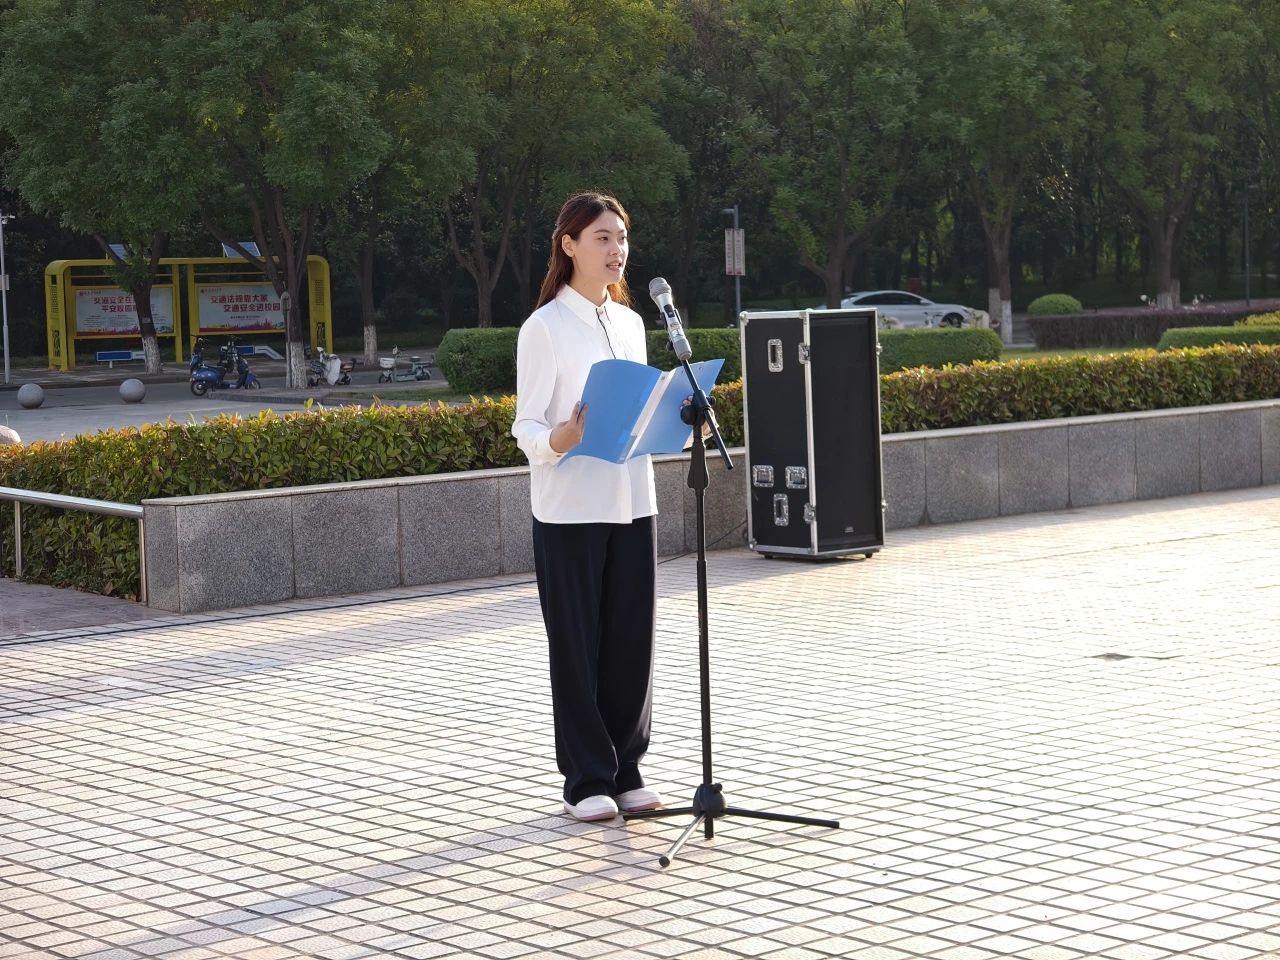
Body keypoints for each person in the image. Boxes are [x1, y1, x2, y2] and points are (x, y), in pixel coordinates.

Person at [512, 192, 664, 822]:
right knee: (577, 646)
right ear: (568, 245)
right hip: (570, 509)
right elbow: (525, 427)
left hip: (632, 500)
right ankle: (586, 779)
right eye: (602, 237)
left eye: (621, 237)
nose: (616, 249)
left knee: (631, 640)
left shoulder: (631, 324)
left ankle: (627, 768)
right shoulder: (544, 327)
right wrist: (562, 438)